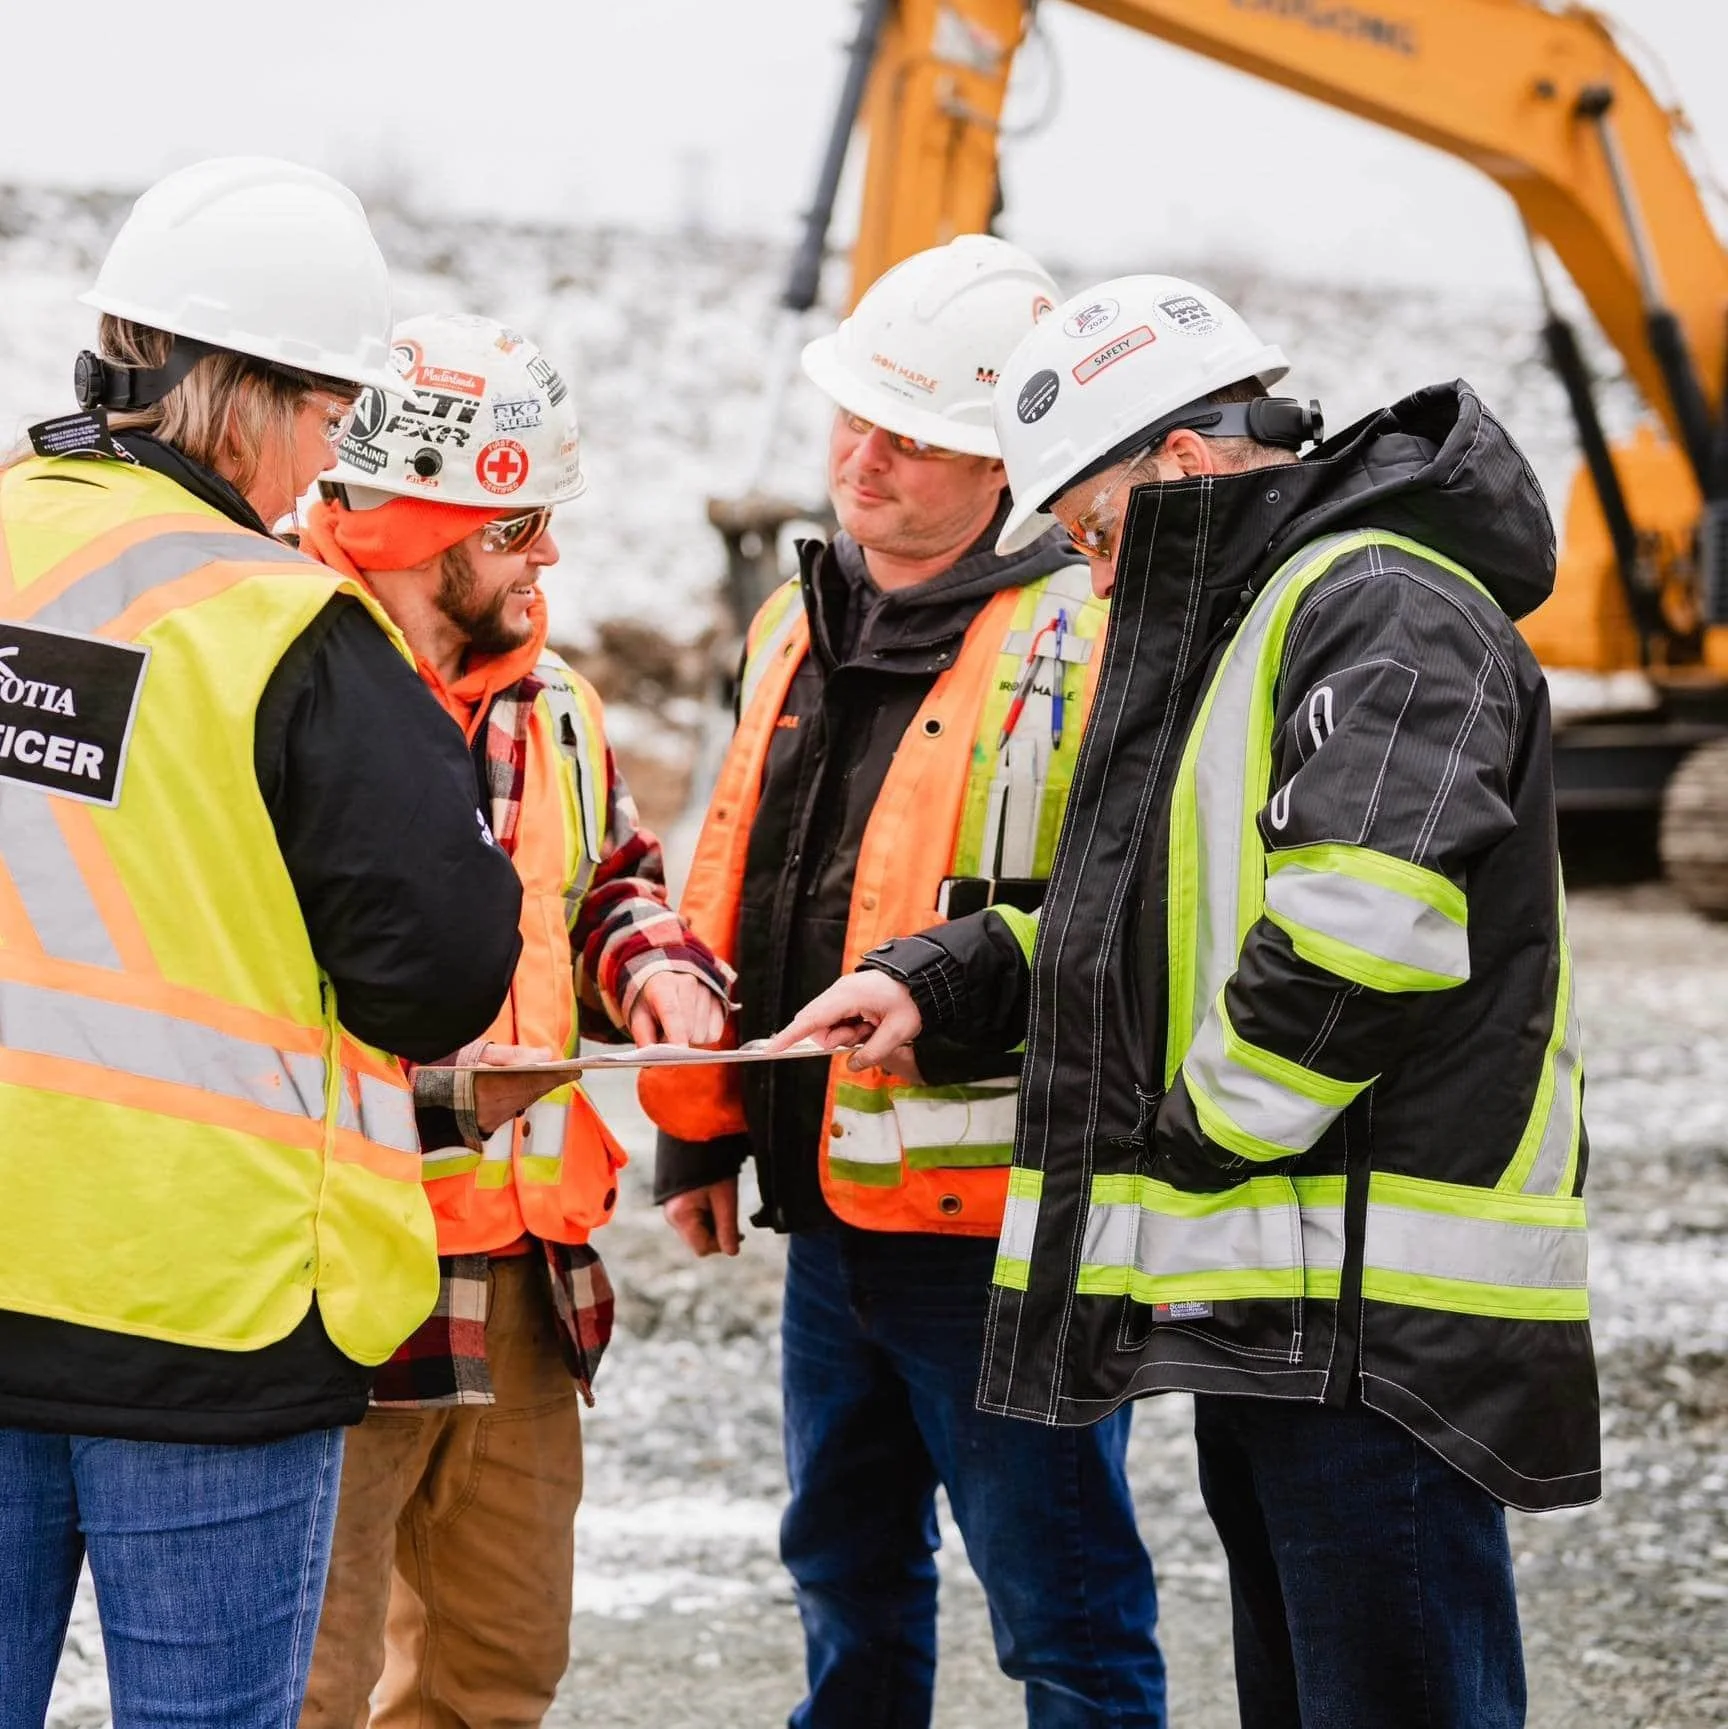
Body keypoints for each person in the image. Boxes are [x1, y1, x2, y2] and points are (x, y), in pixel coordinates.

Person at [778, 272, 1600, 1728]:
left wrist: (1194, 1140)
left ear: (1188, 463)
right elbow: (1163, 922)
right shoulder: (1277, 617)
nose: (1093, 576)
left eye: (1093, 531)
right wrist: (945, 979)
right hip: (1288, 1294)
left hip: (1367, 1311)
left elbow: (1367, 928)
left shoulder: (1379, 605)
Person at [0, 160, 526, 1728]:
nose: (324, 462)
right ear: (237, 394)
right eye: (323, 412)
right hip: (205, 1314)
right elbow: (437, 971)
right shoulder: (282, 625)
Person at [643, 237, 1167, 1728]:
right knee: (845, 1569)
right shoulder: (795, 618)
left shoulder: (1093, 639)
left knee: (1064, 1610)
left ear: (1006, 460)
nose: (864, 458)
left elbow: (1129, 914)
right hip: (834, 1206)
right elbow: (736, 881)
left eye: (914, 435)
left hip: (1000, 1227)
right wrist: (706, 1126)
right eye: (856, 417)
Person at [294, 311, 731, 1729]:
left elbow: (608, 877)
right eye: (521, 525)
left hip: (527, 1277)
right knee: (296, 1686)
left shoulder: (557, 706)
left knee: (495, 1683)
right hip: (337, 1272)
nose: (550, 557)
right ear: (435, 522)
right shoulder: (285, 676)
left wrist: (655, 966)